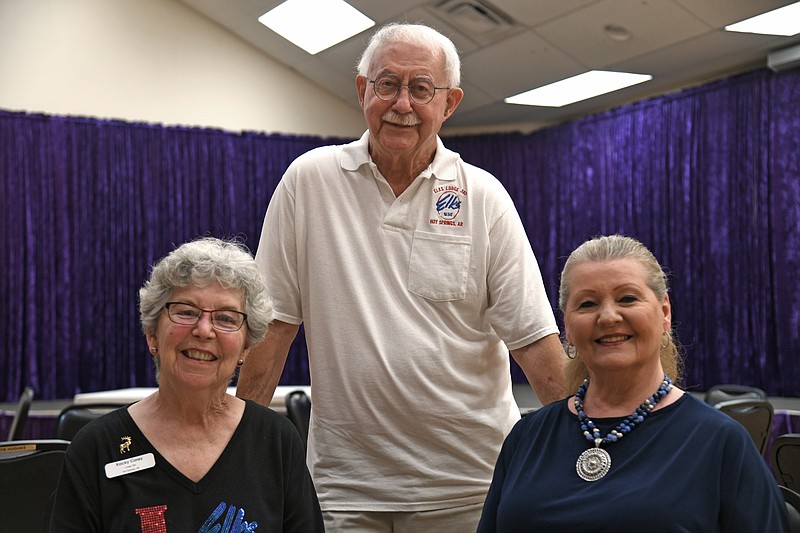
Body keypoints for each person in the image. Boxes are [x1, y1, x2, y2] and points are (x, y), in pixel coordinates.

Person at [236, 22, 567, 531]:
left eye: (421, 88)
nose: (402, 104)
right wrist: (240, 452)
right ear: (362, 89)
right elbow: (273, 327)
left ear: (450, 102)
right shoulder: (309, 181)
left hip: (469, 484)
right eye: (387, 84)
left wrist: (589, 446)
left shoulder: (483, 197)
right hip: (345, 488)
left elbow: (532, 339)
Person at [477, 235, 789, 532]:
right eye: (587, 304)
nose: (608, 317)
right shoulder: (527, 438)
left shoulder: (721, 442)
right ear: (567, 329)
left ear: (664, 313)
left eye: (627, 298)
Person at [49, 237, 324, 532]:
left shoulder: (277, 442)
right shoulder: (95, 449)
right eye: (186, 312)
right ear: (152, 334)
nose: (204, 330)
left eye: (226, 318)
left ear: (246, 348)